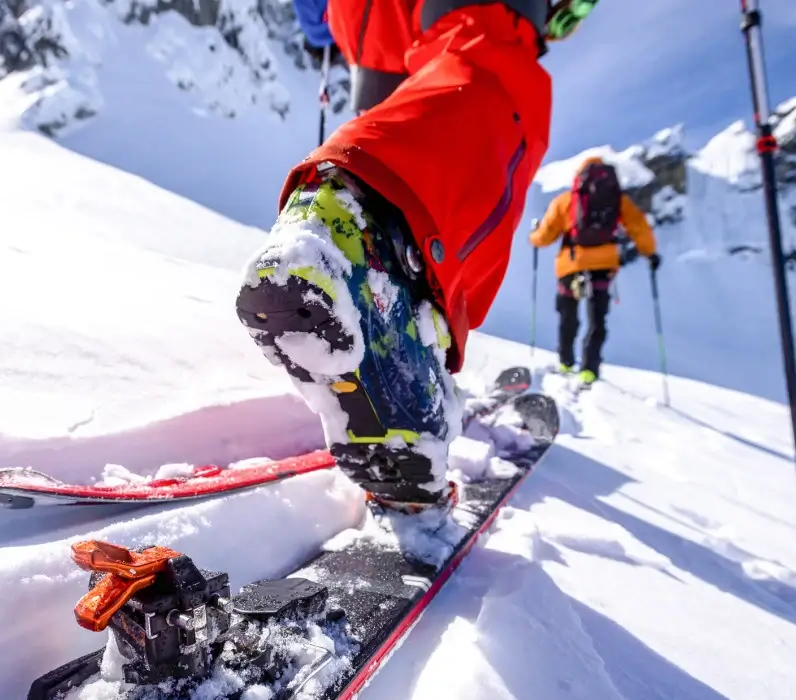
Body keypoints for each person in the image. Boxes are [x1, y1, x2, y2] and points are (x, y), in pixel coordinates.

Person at [235, 0, 599, 511]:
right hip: (402, 28)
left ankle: (382, 310)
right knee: (490, 59)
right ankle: (353, 227)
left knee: (411, 120)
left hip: (369, 30)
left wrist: (319, 20)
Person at [529, 156, 659, 385]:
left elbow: (545, 236)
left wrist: (534, 236)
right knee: (597, 320)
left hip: (571, 266)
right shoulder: (617, 200)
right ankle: (590, 369)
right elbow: (639, 227)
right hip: (603, 267)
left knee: (568, 316)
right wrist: (650, 253)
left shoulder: (565, 201)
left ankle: (566, 362)